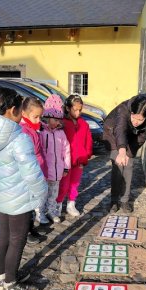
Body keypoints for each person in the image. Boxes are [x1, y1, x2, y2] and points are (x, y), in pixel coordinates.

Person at [0, 86, 47, 290]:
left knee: (4, 237)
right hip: (19, 196)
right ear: (11, 110)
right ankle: (10, 284)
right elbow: (31, 172)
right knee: (18, 239)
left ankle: (3, 277)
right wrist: (41, 193)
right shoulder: (19, 138)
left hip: (2, 193)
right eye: (19, 109)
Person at [102, 94, 146, 213]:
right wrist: (122, 151)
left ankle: (125, 200)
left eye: (140, 119)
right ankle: (114, 200)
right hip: (113, 132)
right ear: (131, 111)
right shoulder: (123, 110)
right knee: (118, 166)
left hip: (133, 136)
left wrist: (128, 153)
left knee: (129, 166)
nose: (136, 122)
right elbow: (120, 130)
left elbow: (142, 136)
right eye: (134, 117)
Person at [56, 94, 93, 217]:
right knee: (64, 184)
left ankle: (71, 204)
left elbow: (88, 141)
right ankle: (58, 204)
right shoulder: (62, 123)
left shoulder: (84, 124)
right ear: (68, 108)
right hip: (65, 161)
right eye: (75, 109)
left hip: (79, 160)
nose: (78, 112)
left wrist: (86, 155)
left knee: (75, 183)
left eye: (80, 110)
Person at [40, 94, 71, 224]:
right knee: (42, 194)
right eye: (55, 120)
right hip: (44, 172)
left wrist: (66, 167)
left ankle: (51, 211)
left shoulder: (61, 133)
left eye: (59, 120)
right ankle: (40, 213)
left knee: (53, 194)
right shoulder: (41, 132)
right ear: (47, 117)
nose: (58, 122)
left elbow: (66, 150)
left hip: (57, 171)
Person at [20, 97, 48, 242]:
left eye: (40, 117)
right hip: (30, 173)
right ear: (24, 114)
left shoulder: (34, 127)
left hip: (38, 169)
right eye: (35, 117)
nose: (38, 120)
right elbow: (26, 156)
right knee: (28, 205)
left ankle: (30, 228)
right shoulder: (24, 130)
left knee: (32, 203)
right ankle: (26, 231)